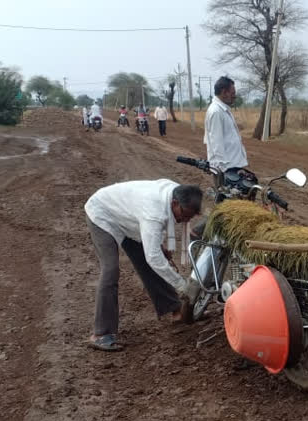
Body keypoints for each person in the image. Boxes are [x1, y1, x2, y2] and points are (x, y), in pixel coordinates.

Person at [84, 180, 203, 351]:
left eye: (190, 218)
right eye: (184, 215)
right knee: (111, 270)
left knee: (153, 262)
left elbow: (154, 239)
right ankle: (101, 334)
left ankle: (177, 310)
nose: (184, 220)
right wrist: (182, 286)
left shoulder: (177, 192)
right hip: (103, 214)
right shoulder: (153, 212)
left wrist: (159, 245)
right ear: (175, 203)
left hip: (129, 219)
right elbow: (153, 255)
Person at [203, 76, 248, 172]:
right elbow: (216, 144)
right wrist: (223, 172)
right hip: (226, 169)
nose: (234, 96)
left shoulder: (223, 109)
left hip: (233, 165)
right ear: (224, 92)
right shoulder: (216, 112)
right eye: (232, 93)